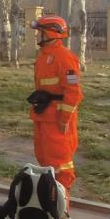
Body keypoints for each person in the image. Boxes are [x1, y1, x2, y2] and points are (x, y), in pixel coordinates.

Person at [29, 15, 84, 197]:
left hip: (57, 119)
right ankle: (49, 196)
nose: (37, 36)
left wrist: (64, 119)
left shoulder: (65, 58)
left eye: (40, 32)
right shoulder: (44, 56)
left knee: (60, 161)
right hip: (43, 114)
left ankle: (61, 201)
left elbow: (74, 92)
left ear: (51, 34)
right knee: (44, 156)